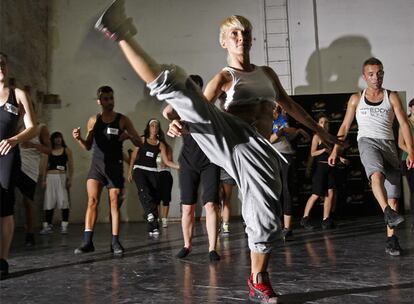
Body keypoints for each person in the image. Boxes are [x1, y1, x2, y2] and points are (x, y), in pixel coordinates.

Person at [94, 4, 339, 302]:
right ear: (224, 41)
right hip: (230, 133)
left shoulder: (267, 73)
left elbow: (289, 105)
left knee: (264, 217)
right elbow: (202, 108)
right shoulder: (225, 76)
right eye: (234, 33)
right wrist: (179, 123)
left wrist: (321, 131)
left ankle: (257, 278)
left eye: (245, 32)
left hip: (258, 150)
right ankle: (121, 33)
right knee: (178, 85)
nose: (241, 37)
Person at [329, 57, 414, 256]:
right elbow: (344, 127)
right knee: (376, 175)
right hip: (367, 141)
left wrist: (410, 151)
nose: (376, 78)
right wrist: (334, 150)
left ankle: (391, 239)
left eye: (380, 73)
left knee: (393, 197)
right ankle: (387, 212)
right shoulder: (356, 98)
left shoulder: (391, 97)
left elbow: (404, 124)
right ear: (364, 76)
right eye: (371, 74)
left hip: (389, 146)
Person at [72, 85, 142, 256]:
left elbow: (139, 142)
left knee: (114, 203)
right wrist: (79, 138)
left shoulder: (122, 120)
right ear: (99, 101)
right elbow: (88, 146)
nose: (109, 102)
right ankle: (88, 242)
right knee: (92, 201)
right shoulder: (93, 120)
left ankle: (115, 241)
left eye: (111, 98)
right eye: (106, 99)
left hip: (115, 165)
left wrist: (129, 136)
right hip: (97, 166)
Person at [163, 74, 221, 261]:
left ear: (200, 89)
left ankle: (212, 248)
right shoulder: (181, 108)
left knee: (211, 204)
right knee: (187, 207)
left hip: (209, 161)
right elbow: (167, 113)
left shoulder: (208, 108)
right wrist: (178, 99)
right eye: (189, 88)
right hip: (188, 162)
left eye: (194, 88)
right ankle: (187, 245)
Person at [0, 52, 37, 278]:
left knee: (4, 208)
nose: (0, 68)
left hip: (7, 156)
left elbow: (32, 126)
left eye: (3, 63)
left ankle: (2, 260)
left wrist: (14, 140)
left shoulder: (18, 94)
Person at [127, 119, 178, 236]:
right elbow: (134, 157)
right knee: (143, 191)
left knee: (154, 199)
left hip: (153, 172)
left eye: (156, 126)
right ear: (148, 128)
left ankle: (153, 226)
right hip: (139, 169)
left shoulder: (161, 144)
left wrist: (180, 166)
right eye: (152, 126)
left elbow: (167, 162)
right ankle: (149, 214)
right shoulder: (142, 139)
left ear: (158, 129)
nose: (154, 128)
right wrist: (130, 171)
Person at [270, 103, 310, 239]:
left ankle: (287, 228)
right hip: (272, 156)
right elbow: (268, 139)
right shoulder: (265, 119)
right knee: (273, 190)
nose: (276, 106)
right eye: (273, 104)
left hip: (286, 155)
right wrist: (281, 132)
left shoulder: (283, 118)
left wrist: (296, 131)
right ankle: (274, 225)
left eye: (277, 104)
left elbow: (290, 136)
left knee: (286, 189)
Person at [300, 113, 344, 230]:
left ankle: (326, 220)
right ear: (318, 124)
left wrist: (341, 158)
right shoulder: (317, 136)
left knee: (331, 194)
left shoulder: (331, 137)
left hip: (330, 168)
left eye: (326, 122)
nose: (323, 124)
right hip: (319, 169)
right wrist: (324, 149)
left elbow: (335, 152)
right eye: (321, 122)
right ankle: (305, 219)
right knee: (316, 194)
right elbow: (313, 153)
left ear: (329, 125)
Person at [16, 119, 51, 246]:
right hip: (15, 164)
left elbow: (49, 150)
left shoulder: (41, 127)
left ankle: (30, 233)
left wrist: (33, 145)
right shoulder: (17, 125)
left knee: (28, 201)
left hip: (30, 168)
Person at [39, 132, 73, 235]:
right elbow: (45, 167)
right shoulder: (49, 151)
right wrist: (44, 180)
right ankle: (47, 226)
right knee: (49, 201)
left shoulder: (67, 150)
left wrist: (70, 179)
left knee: (64, 201)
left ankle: (64, 226)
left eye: (60, 138)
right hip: (50, 178)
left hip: (62, 177)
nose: (58, 140)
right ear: (52, 140)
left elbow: (71, 166)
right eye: (56, 138)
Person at [398, 98, 414, 227]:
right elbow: (400, 143)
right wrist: (411, 152)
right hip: (408, 160)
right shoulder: (405, 123)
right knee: (413, 190)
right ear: (410, 108)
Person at [157, 140, 174, 228]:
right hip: (155, 174)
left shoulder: (168, 148)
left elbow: (168, 161)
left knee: (166, 198)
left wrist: (163, 160)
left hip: (165, 174)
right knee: (155, 198)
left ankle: (164, 219)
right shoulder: (152, 148)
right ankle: (156, 218)